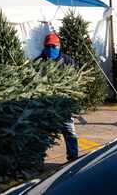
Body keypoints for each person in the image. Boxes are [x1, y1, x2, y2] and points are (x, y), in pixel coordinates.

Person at [35, 32, 78, 161]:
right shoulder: (38, 62)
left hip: (63, 104)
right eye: (48, 46)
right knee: (43, 133)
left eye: (53, 46)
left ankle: (73, 155)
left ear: (59, 46)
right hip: (45, 105)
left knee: (69, 129)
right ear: (44, 47)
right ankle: (39, 159)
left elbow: (75, 81)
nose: (51, 49)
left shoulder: (67, 61)